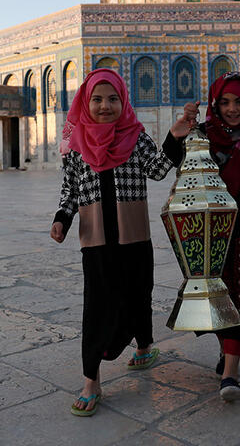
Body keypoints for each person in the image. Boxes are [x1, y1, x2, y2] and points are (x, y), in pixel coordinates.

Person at [50, 68, 197, 417]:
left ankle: (145, 347)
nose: (105, 106)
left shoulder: (135, 136)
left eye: (113, 98)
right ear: (86, 102)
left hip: (133, 238)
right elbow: (70, 190)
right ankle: (92, 380)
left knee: (137, 295)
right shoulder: (75, 145)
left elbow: (159, 169)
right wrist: (61, 218)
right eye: (97, 99)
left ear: (124, 100)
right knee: (97, 307)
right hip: (96, 241)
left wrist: (175, 136)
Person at [200, 71, 240, 401]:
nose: (232, 108)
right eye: (224, 102)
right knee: (214, 297)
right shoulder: (201, 136)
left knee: (234, 296)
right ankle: (229, 347)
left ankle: (231, 375)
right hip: (207, 234)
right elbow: (178, 173)